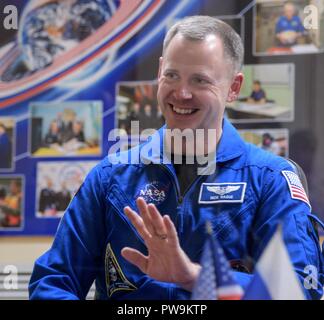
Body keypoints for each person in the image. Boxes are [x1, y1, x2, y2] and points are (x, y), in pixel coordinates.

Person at [29, 16, 323, 300]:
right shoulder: (110, 177)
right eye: (172, 75)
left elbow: (300, 287)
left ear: (233, 87)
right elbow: (52, 281)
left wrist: (194, 277)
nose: (181, 93)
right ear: (159, 73)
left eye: (200, 80)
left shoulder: (270, 180)